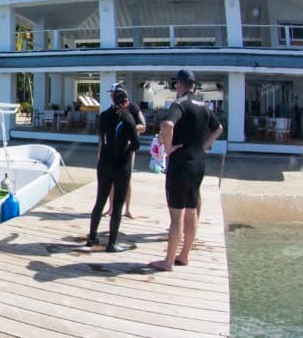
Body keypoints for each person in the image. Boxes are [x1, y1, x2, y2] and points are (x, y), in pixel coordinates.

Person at [150, 69, 223, 271]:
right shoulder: (204, 106)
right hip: (199, 163)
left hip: (181, 163)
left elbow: (166, 124)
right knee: (192, 212)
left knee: (176, 215)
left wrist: (168, 147)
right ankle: (184, 256)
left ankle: (168, 262)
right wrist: (205, 146)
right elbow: (218, 129)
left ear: (180, 85)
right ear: (195, 86)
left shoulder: (181, 103)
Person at [86, 88, 139, 252]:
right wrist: (127, 149)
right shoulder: (127, 118)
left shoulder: (103, 116)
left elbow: (102, 138)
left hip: (104, 164)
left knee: (100, 201)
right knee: (117, 206)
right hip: (120, 166)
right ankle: (112, 243)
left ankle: (92, 237)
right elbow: (136, 144)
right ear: (126, 102)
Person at [103, 83, 146, 218]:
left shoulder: (133, 108)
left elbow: (143, 126)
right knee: (111, 178)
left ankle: (127, 209)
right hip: (113, 149)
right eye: (110, 93)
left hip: (128, 149)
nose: (111, 95)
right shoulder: (110, 110)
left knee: (127, 179)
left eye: (113, 92)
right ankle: (110, 208)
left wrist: (128, 128)